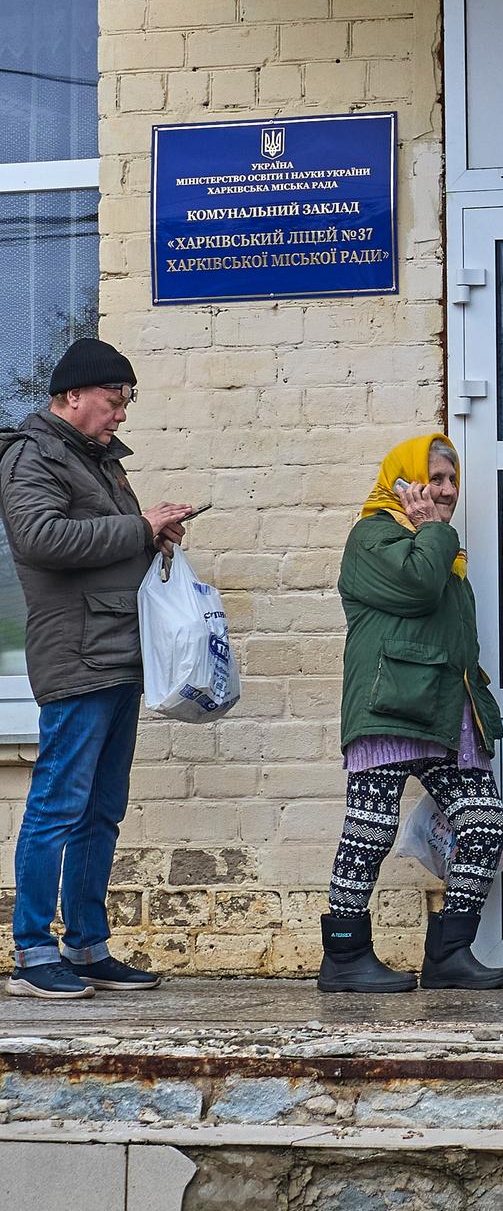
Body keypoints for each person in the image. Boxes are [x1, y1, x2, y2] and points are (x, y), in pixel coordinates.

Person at [0, 338, 192, 1000]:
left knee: (100, 811)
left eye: (126, 403)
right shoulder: (33, 455)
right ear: (72, 396)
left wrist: (154, 534)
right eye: (115, 401)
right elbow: (41, 539)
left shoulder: (97, 460)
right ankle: (32, 951)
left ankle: (85, 946)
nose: (122, 416)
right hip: (77, 656)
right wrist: (140, 527)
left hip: (117, 652)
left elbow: (108, 543)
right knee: (57, 806)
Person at [320, 433, 503, 994]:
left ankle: (450, 951)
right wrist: (432, 528)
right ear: (405, 482)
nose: (448, 490)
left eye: (453, 480)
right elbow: (418, 589)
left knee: (484, 825)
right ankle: (345, 956)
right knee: (370, 830)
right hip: (388, 705)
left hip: (442, 709)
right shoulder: (372, 537)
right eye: (436, 478)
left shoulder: (438, 544)